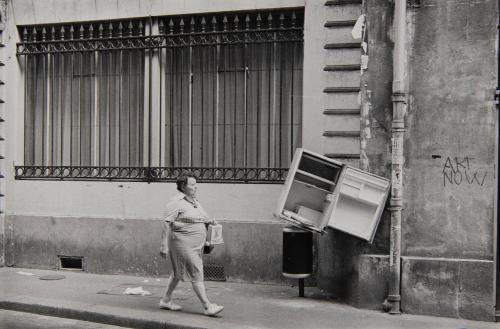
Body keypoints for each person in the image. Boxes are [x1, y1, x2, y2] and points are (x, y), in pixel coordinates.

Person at [159, 174, 224, 317]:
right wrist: (164, 246)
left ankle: (166, 300)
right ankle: (207, 306)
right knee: (196, 271)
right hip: (182, 243)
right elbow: (167, 223)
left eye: (196, 184)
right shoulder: (176, 202)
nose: (196, 187)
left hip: (196, 245)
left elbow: (200, 217)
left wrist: (210, 221)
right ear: (183, 186)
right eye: (192, 184)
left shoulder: (194, 201)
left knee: (178, 273)